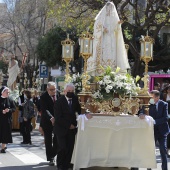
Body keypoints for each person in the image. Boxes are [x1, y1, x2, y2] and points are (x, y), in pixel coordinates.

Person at [54, 83, 81, 170]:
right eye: (69, 91)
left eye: (72, 91)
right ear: (65, 91)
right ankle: (60, 166)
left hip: (72, 129)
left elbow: (78, 111)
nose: (71, 92)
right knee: (62, 148)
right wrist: (68, 125)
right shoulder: (59, 102)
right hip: (61, 129)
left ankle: (66, 165)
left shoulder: (75, 99)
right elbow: (58, 117)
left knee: (70, 148)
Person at [139, 90, 169, 170]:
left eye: (151, 97)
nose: (150, 99)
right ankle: (149, 167)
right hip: (152, 131)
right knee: (150, 150)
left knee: (163, 150)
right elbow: (142, 109)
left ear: (157, 97)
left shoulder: (164, 104)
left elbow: (166, 118)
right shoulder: (149, 104)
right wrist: (141, 114)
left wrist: (154, 121)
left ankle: (164, 168)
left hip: (162, 131)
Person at [40, 82, 58, 166]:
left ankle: (53, 154)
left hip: (57, 121)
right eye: (51, 90)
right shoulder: (43, 97)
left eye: (55, 89)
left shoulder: (59, 95)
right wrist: (51, 118)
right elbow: (44, 110)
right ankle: (51, 158)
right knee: (48, 140)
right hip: (47, 121)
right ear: (47, 89)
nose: (54, 91)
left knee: (57, 139)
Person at [0, 86, 16, 153]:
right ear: (2, 92)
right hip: (0, 119)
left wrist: (9, 110)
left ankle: (3, 147)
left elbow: (14, 108)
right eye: (7, 92)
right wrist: (1, 111)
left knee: (5, 134)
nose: (8, 93)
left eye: (9, 92)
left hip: (7, 120)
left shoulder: (10, 99)